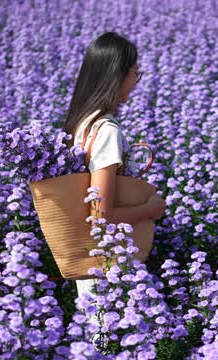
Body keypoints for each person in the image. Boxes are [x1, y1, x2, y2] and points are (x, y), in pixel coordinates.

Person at [62, 32, 167, 326]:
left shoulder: (82, 122)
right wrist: (151, 210)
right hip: (109, 263)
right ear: (117, 75)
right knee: (107, 338)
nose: (137, 81)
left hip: (88, 256)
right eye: (135, 73)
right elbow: (101, 215)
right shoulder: (106, 130)